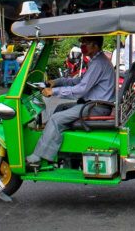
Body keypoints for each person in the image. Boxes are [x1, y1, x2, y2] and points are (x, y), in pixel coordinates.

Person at [26, 36, 115, 167]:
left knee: (56, 119)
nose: (82, 46)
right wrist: (56, 82)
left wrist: (54, 92)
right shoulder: (96, 61)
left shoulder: (98, 63)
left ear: (95, 46)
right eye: (82, 43)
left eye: (86, 43)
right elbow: (79, 81)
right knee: (61, 108)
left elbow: (80, 89)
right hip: (92, 104)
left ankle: (38, 156)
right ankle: (55, 145)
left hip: (95, 107)